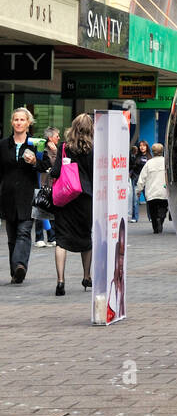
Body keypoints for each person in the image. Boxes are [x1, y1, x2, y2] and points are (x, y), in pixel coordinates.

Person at [49, 113, 94, 296]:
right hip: (86, 199)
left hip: (66, 199)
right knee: (85, 239)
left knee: (62, 240)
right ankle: (86, 276)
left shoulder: (64, 147)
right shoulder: (94, 149)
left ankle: (60, 280)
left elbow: (56, 171)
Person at [0, 107, 40, 283]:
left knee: (24, 232)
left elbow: (46, 165)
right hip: (7, 195)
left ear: (28, 123)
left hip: (27, 194)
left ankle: (20, 266)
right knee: (12, 236)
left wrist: (35, 162)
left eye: (22, 120)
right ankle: (15, 272)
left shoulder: (36, 143)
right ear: (12, 122)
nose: (18, 122)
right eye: (16, 119)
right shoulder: (3, 145)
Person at [137, 142, 169, 233]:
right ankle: (161, 220)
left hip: (151, 192)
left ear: (153, 152)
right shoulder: (166, 162)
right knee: (163, 208)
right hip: (164, 191)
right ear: (162, 151)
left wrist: (138, 190)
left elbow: (141, 178)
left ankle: (156, 227)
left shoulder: (148, 163)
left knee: (152, 211)